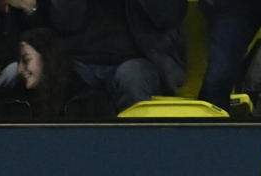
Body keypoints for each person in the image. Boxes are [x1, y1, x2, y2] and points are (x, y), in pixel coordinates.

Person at [43, 0, 184, 111]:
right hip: (79, 61)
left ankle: (139, 144)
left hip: (139, 60)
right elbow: (65, 22)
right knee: (58, 77)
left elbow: (169, 16)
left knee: (132, 76)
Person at [3, 24, 109, 118]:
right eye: (18, 62)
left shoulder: (87, 100)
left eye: (26, 60)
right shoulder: (15, 100)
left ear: (47, 59)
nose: (19, 69)